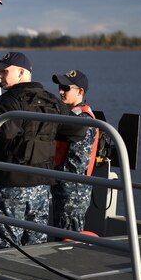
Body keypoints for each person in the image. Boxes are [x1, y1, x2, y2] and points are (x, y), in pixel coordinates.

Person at [0, 52, 85, 249]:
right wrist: (48, 133)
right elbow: (77, 131)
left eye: (4, 71)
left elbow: (5, 131)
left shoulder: (10, 100)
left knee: (4, 252)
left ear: (20, 73)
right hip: (41, 192)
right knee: (35, 251)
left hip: (10, 190)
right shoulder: (51, 101)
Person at [51, 69, 100, 233]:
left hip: (72, 193)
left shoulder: (83, 122)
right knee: (61, 236)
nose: (60, 91)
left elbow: (76, 165)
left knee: (69, 240)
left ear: (80, 91)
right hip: (63, 189)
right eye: (60, 87)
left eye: (65, 87)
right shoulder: (71, 116)